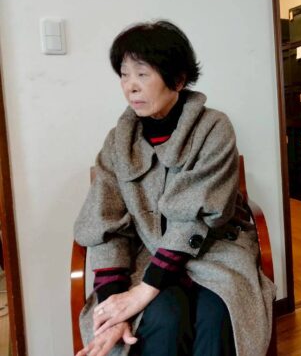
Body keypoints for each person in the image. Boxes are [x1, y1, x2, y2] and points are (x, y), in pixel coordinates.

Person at [74, 20, 275, 356]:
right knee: (162, 319)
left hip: (217, 248)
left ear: (178, 80)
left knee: (217, 315)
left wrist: (144, 291)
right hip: (149, 252)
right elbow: (105, 226)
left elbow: (196, 217)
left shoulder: (214, 127)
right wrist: (115, 304)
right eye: (124, 75)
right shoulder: (117, 142)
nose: (130, 87)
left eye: (142, 74)